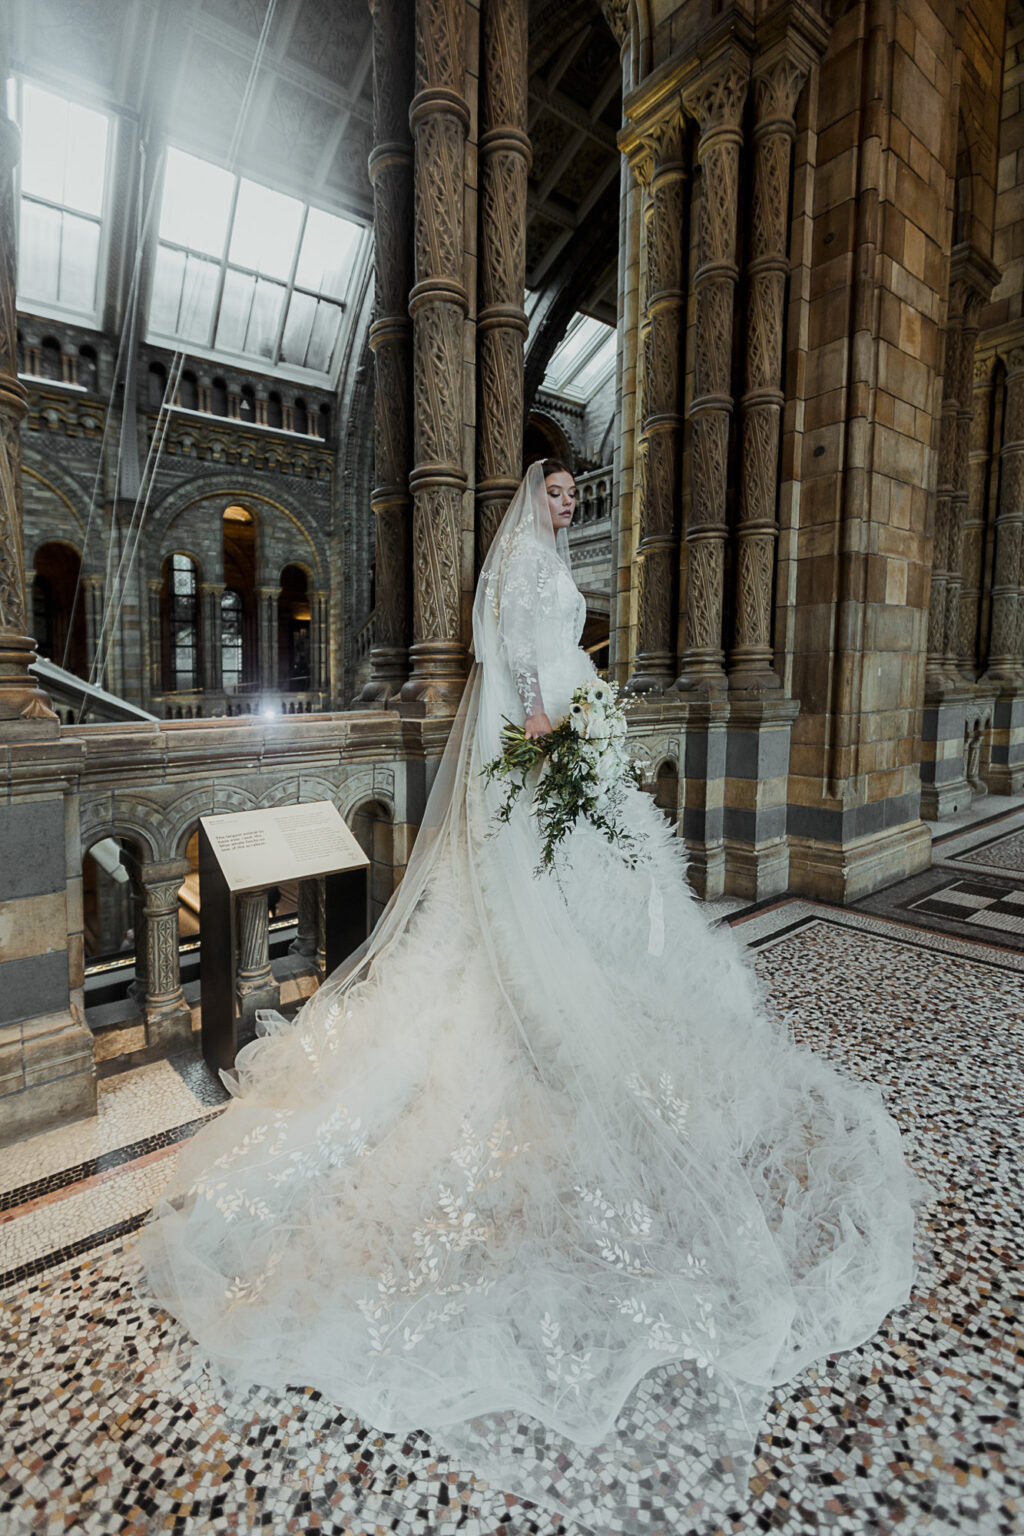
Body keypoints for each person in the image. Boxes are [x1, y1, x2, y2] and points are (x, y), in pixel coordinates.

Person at [136, 460, 918, 1533]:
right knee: (500, 940)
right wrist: (552, 730)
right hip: (539, 750)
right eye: (553, 493)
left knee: (606, 918)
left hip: (566, 740)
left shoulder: (552, 562)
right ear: (530, 498)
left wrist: (581, 719)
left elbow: (552, 654)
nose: (564, 504)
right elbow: (510, 659)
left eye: (566, 497)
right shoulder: (514, 570)